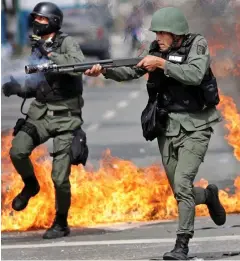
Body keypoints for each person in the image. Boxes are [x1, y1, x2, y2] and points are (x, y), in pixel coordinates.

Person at [84, 6, 226, 260]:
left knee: (182, 183)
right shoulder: (153, 50)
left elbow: (194, 74)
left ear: (177, 33)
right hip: (167, 127)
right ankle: (207, 195)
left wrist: (161, 63)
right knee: (180, 190)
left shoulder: (197, 45)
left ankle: (182, 245)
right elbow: (130, 70)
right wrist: (104, 70)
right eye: (156, 33)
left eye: (162, 33)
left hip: (196, 126)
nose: (158, 37)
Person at [2, 2, 87, 239]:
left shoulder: (65, 43)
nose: (36, 23)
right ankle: (31, 185)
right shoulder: (36, 47)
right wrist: (18, 88)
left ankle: (61, 222)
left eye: (41, 19)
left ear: (53, 22)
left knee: (59, 177)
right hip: (40, 113)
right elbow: (40, 82)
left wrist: (48, 51)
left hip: (65, 118)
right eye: (35, 19)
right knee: (17, 151)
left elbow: (77, 66)